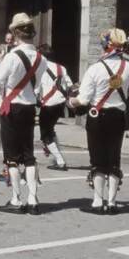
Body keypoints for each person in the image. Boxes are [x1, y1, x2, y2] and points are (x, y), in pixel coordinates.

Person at [69, 28, 129, 215]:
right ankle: (112, 203)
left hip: (97, 116)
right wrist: (124, 91)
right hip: (118, 117)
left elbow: (84, 99)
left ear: (105, 45)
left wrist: (71, 101)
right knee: (113, 159)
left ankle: (97, 201)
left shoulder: (95, 69)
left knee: (98, 160)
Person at [0, 14, 47, 214]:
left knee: (12, 156)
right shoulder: (42, 59)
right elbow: (38, 86)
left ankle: (16, 199)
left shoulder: (12, 57)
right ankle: (33, 199)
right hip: (30, 108)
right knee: (28, 154)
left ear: (15, 33)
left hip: (12, 107)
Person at [36, 43, 73, 171]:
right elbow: (69, 85)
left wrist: (37, 99)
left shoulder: (39, 68)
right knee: (50, 130)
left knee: (45, 134)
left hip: (49, 104)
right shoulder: (61, 68)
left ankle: (60, 161)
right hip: (60, 103)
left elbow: (36, 87)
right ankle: (57, 158)